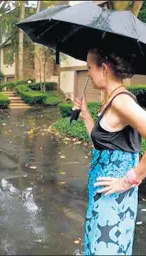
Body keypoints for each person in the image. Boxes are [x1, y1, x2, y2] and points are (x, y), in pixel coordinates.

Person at [74, 47, 146, 255]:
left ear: (103, 68)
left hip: (113, 201)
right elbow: (103, 145)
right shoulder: (112, 100)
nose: (87, 73)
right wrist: (87, 116)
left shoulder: (121, 101)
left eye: (89, 68)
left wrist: (129, 180)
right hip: (102, 197)